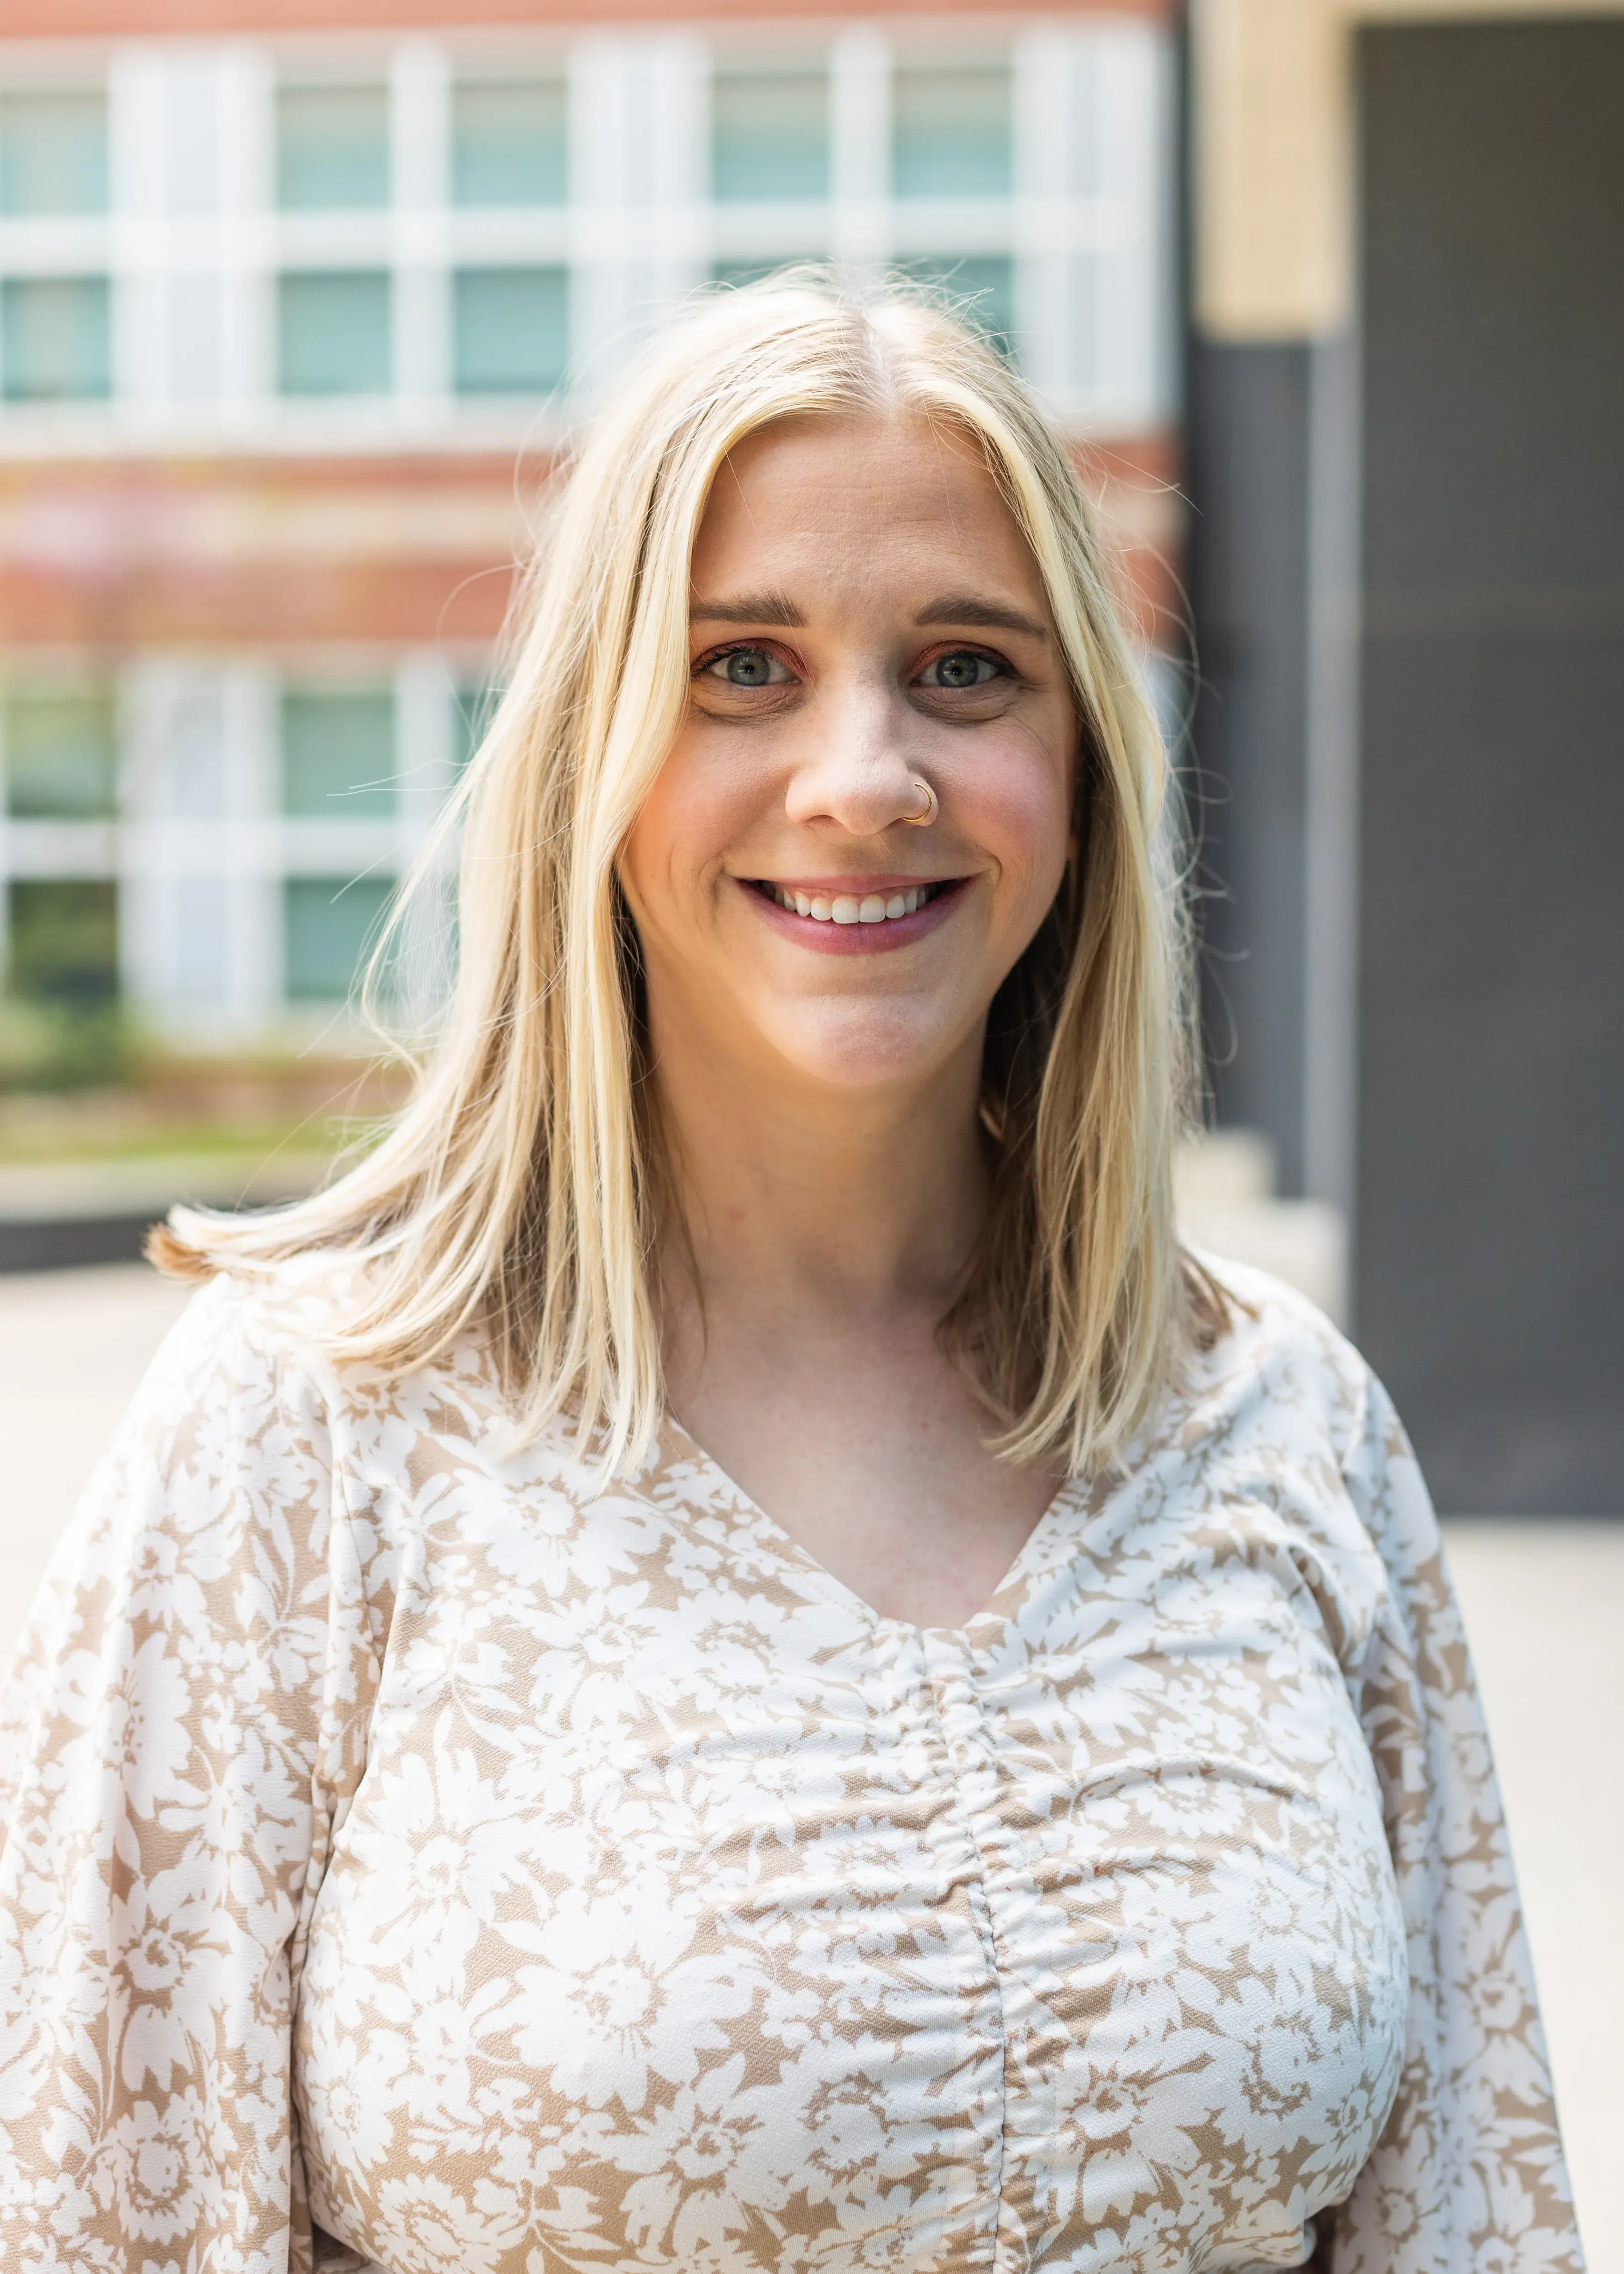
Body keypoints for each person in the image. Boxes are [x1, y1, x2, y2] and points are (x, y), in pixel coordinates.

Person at [0, 279, 1583, 2274]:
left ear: (1084, 771)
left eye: (964, 669)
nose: (865, 774)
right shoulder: (302, 1441)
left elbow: (1470, 2220)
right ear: (595, 756)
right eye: (742, 665)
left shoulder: (1284, 1425)